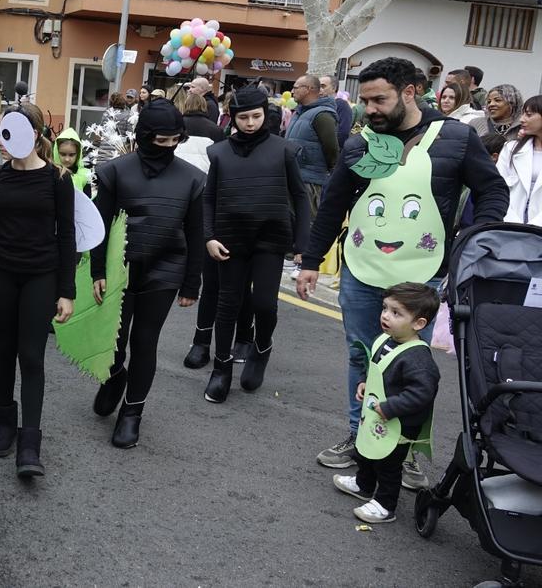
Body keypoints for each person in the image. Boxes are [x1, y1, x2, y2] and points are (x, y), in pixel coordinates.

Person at [298, 57, 508, 488]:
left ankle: (404, 449)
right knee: (362, 356)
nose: (370, 109)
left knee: (410, 366)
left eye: (379, 99)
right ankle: (360, 436)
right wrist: (310, 262)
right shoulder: (360, 143)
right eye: (365, 100)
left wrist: (469, 244)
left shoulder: (455, 138)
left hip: (420, 277)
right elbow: (333, 205)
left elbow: (492, 191)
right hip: (361, 270)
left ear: (409, 93)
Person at [0, 102, 77, 479]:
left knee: (31, 356)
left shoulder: (58, 179)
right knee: (3, 352)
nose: (1, 140)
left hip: (41, 277)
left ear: (34, 133)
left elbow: (67, 236)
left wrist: (67, 290)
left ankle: (30, 442)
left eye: (9, 131)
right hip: (3, 274)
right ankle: (5, 423)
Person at [89, 100, 204, 448]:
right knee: (114, 340)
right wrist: (97, 271)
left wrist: (191, 283)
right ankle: (114, 377)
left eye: (175, 141)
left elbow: (196, 232)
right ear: (143, 136)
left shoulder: (192, 178)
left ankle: (132, 413)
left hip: (165, 268)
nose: (168, 147)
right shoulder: (115, 172)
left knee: (145, 341)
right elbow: (100, 226)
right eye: (160, 140)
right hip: (120, 268)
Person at [202, 86, 311, 403]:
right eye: (243, 118)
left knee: (264, 303)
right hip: (229, 237)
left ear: (265, 115)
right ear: (233, 118)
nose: (250, 123)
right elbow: (209, 197)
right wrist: (209, 236)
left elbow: (300, 196)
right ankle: (221, 368)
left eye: (256, 116)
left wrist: (302, 244)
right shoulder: (219, 152)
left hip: (270, 238)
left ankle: (261, 348)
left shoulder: (284, 150)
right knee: (227, 305)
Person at [332, 282, 440, 524]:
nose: (385, 316)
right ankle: (363, 484)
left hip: (398, 424)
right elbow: (374, 366)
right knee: (366, 451)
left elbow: (422, 393)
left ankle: (385, 504)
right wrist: (364, 382)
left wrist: (391, 407)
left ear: (419, 323)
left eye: (396, 313)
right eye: (385, 308)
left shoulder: (418, 357)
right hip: (376, 416)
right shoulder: (384, 339)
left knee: (388, 465)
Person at [287, 75, 339, 218]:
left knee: (307, 222)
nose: (292, 91)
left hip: (311, 183)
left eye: (296, 87)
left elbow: (332, 150)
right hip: (294, 177)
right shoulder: (299, 112)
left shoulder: (323, 115)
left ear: (308, 89)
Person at [496, 95, 542, 227]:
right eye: (523, 114)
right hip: (510, 224)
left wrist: (534, 226)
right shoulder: (511, 148)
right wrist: (512, 222)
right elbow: (498, 187)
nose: (522, 119)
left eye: (529, 115)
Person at [320, 75, 354, 142]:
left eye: (323, 86)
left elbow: (343, 132)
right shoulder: (316, 104)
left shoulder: (341, 105)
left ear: (334, 88)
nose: (319, 89)